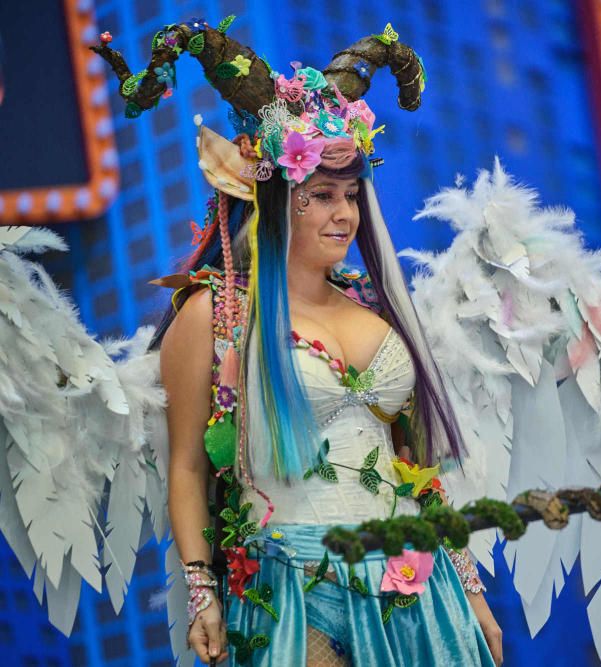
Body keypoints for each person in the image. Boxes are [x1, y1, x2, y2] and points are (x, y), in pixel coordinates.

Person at [93, 20, 501, 667]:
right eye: (322, 196)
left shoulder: (374, 304)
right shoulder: (217, 315)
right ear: (277, 198)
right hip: (292, 590)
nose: (344, 214)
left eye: (351, 195)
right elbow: (188, 467)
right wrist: (204, 594)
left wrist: (470, 586)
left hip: (418, 585)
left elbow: (415, 465)